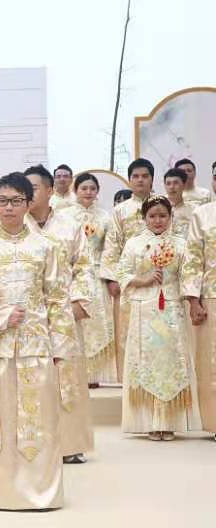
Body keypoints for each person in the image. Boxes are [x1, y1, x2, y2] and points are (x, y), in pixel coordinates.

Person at [0, 172, 74, 511]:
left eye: (16, 201)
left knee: (39, 419)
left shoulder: (45, 247)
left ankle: (41, 491)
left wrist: (61, 349)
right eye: (3, 201)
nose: (8, 207)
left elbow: (58, 299)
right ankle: (1, 492)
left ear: (28, 203)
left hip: (36, 345)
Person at [24, 165, 93, 465]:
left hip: (64, 311)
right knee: (31, 375)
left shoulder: (70, 226)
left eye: (34, 188)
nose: (28, 194)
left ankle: (70, 443)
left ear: (50, 190)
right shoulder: (12, 226)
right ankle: (33, 443)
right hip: (26, 315)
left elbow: (84, 266)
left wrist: (79, 302)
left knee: (67, 375)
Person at [118, 195, 201, 440]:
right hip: (143, 310)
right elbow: (121, 272)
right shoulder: (133, 244)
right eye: (152, 216)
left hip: (171, 309)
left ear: (170, 217)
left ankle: (169, 421)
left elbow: (190, 275)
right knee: (145, 362)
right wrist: (141, 280)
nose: (157, 220)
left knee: (170, 361)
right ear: (144, 217)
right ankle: (150, 423)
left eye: (163, 215)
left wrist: (192, 301)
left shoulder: (181, 245)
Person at [101, 158, 155, 381]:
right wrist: (111, 278)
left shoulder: (163, 205)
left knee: (157, 328)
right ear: (130, 180)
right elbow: (112, 244)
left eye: (145, 176)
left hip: (159, 277)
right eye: (135, 176)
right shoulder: (120, 210)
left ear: (152, 179)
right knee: (128, 328)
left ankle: (156, 374)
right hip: (128, 279)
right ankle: (130, 380)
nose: (140, 180)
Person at [65, 173, 118, 385]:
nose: (88, 192)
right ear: (75, 190)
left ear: (97, 191)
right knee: (76, 322)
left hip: (97, 275)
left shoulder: (105, 217)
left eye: (92, 188)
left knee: (97, 321)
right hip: (72, 275)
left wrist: (109, 276)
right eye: (84, 188)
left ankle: (96, 375)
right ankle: (76, 373)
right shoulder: (64, 216)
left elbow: (110, 249)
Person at [181, 198, 216, 439]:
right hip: (211, 297)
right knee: (212, 364)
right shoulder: (202, 214)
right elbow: (192, 259)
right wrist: (194, 300)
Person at [163, 168, 194, 237]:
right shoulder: (156, 208)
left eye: (176, 183)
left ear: (184, 185)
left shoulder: (193, 210)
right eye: (168, 184)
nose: (171, 187)